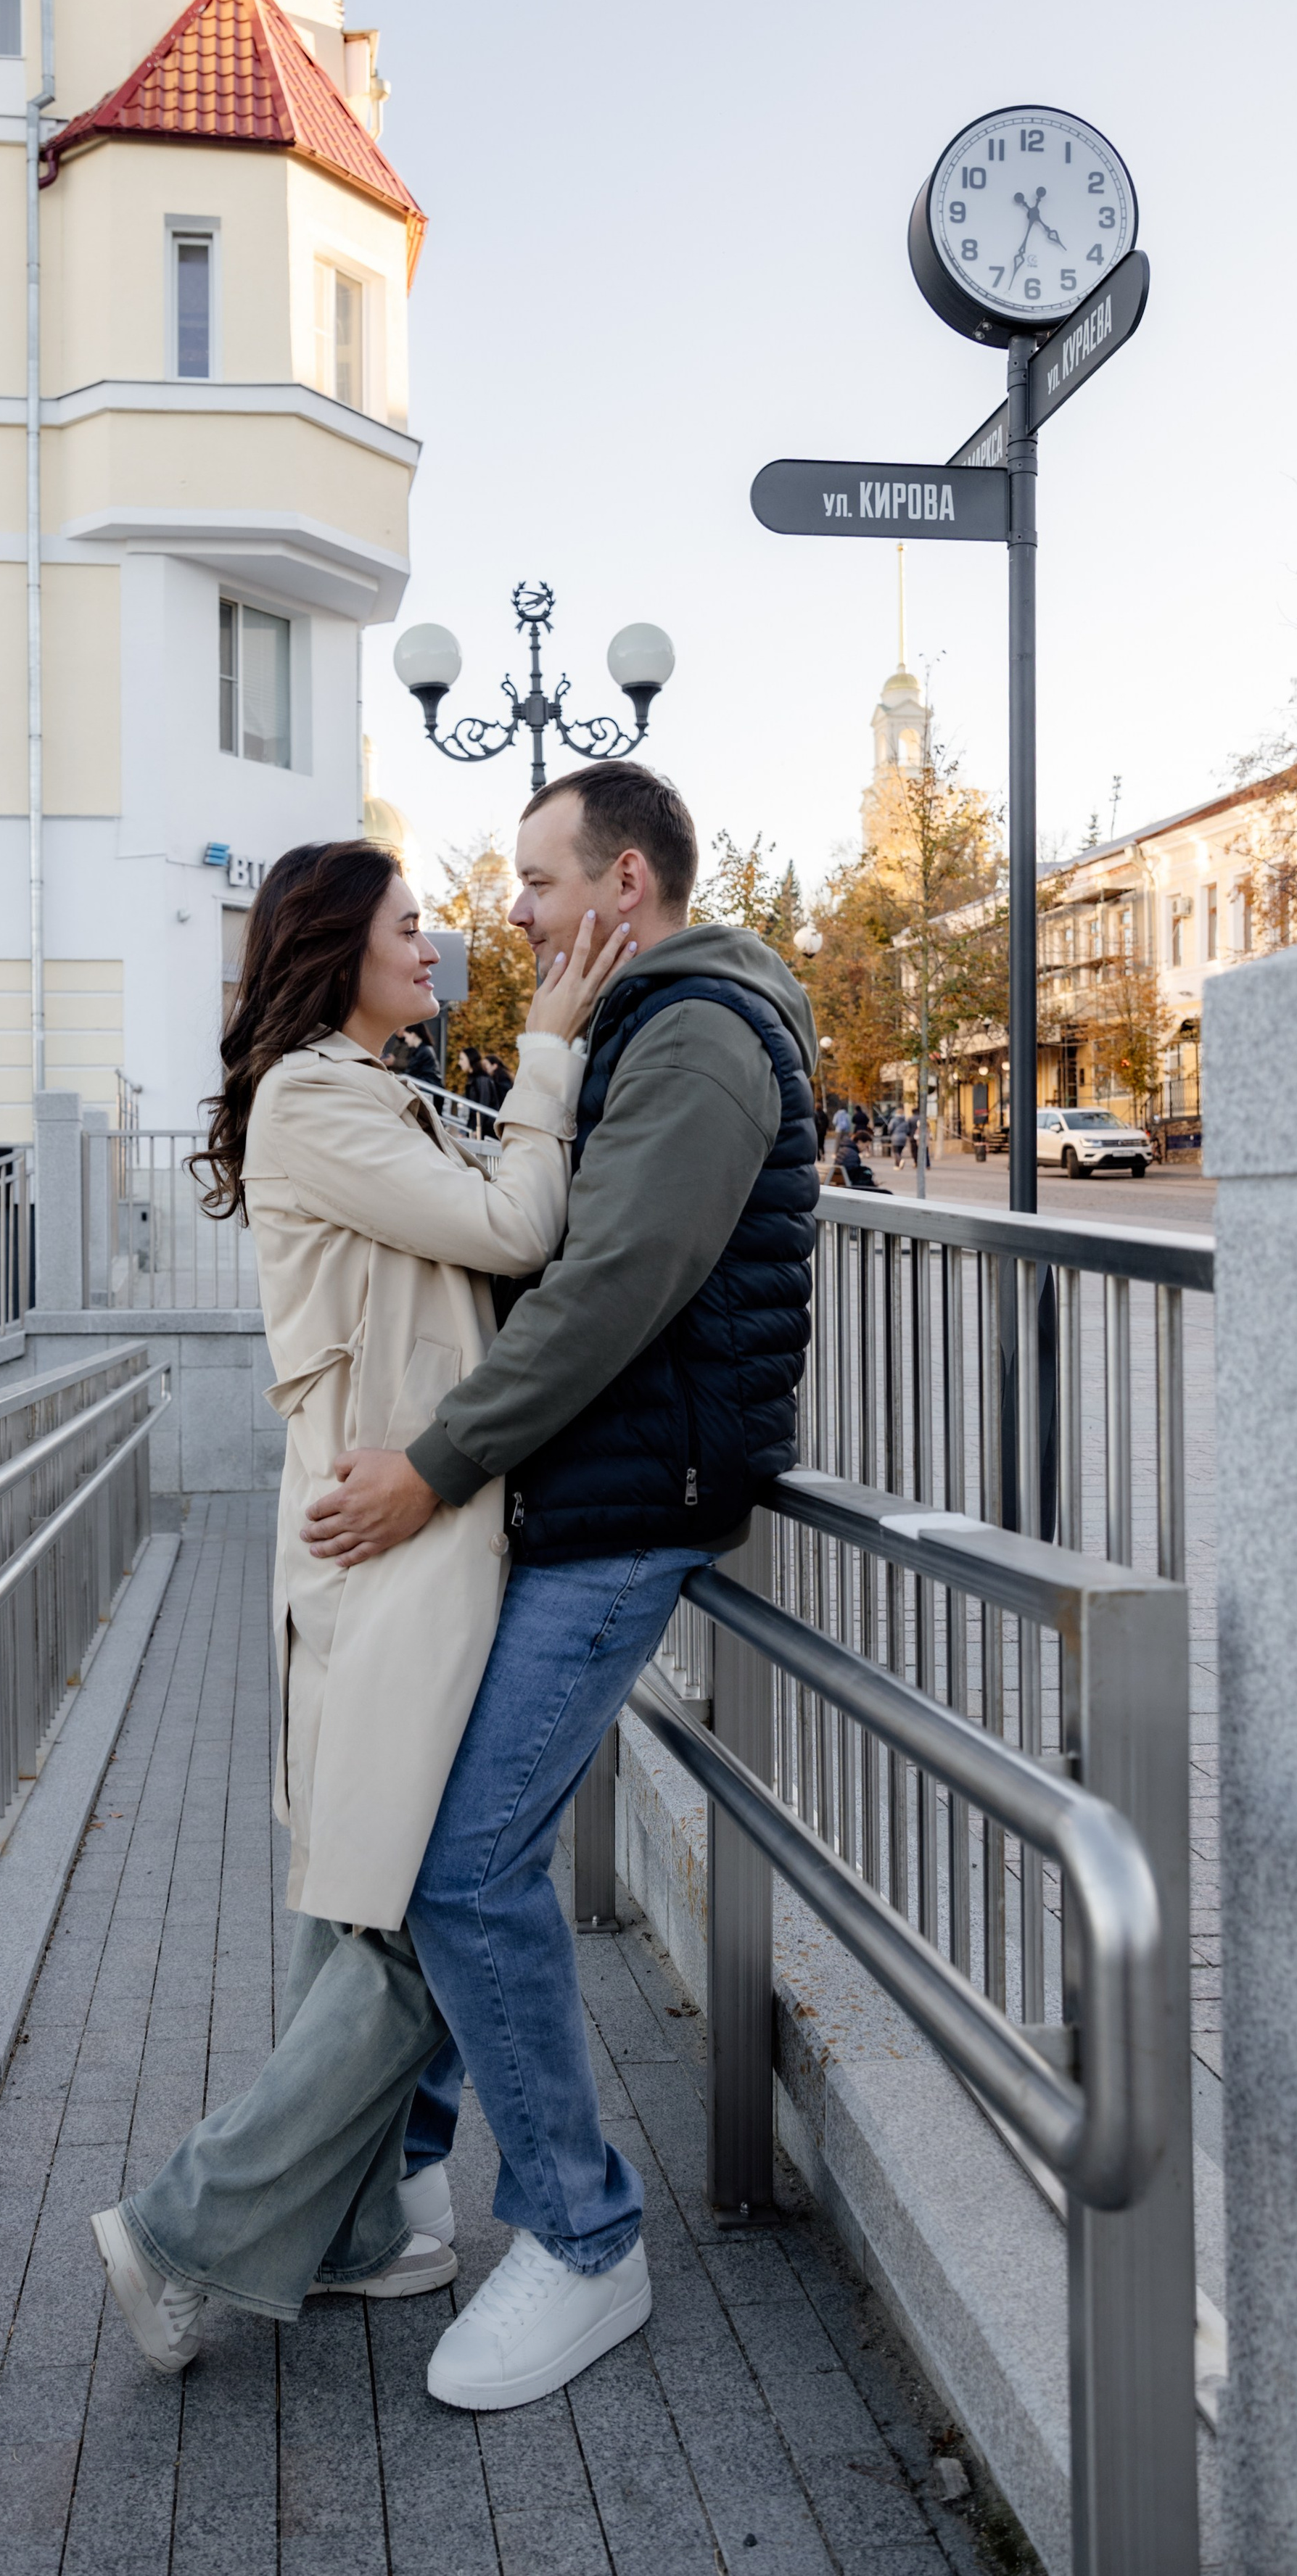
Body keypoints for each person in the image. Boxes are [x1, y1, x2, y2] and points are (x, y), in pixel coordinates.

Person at [303, 761, 817, 2411]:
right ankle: (408, 2177)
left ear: (625, 884)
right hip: (580, 1496)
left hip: (629, 1510)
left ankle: (584, 2238)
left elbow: (603, 1288)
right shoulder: (630, 1027)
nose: (505, 911)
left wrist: (437, 1461)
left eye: (535, 878)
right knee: (448, 1841)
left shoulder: (697, 1039)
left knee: (461, 1865)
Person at [89, 838, 634, 2373]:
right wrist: (545, 1060)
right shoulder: (317, 1097)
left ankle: (349, 2224)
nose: (437, 945)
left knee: (363, 1902)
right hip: (392, 1540)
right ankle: (184, 2229)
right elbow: (518, 1231)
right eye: (410, 925)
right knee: (407, 1917)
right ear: (337, 947)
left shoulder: (360, 1089)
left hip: (398, 1533)